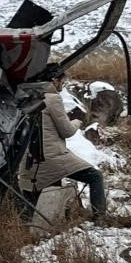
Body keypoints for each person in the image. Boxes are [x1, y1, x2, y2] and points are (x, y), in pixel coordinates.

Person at [20, 67, 107, 221]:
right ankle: (99, 219)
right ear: (54, 80)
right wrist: (77, 121)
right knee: (95, 176)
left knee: (36, 199)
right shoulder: (52, 98)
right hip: (51, 158)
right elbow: (66, 131)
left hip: (29, 161)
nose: (63, 85)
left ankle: (26, 226)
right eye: (62, 81)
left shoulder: (26, 96)